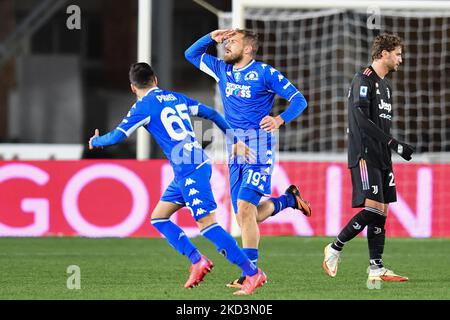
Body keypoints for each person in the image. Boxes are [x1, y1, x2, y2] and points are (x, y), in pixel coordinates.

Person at [89, 62, 267, 296]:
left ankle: (253, 274)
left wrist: (96, 141)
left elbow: (116, 137)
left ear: (133, 88)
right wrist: (234, 139)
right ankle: (197, 261)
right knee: (159, 218)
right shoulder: (175, 98)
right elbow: (212, 113)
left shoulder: (142, 107)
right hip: (190, 168)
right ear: (155, 79)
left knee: (207, 225)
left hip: (191, 169)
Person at [185, 29, 312, 288]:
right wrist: (212, 36)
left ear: (248, 49)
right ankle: (289, 200)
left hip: (259, 148)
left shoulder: (265, 73)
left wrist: (279, 119)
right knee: (246, 216)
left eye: (233, 42)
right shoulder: (221, 69)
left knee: (244, 209)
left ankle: (251, 274)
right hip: (236, 151)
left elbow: (299, 100)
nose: (227, 46)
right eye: (227, 42)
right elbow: (190, 54)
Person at [323, 33, 414, 282]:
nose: (400, 60)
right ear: (383, 53)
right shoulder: (363, 80)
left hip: (383, 156)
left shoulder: (385, 86)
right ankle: (334, 247)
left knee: (382, 210)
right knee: (373, 209)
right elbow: (361, 120)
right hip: (364, 155)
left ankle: (376, 267)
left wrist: (389, 147)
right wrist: (393, 143)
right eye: (397, 54)